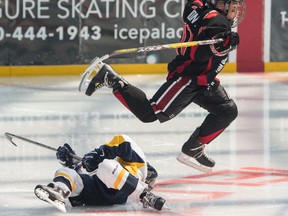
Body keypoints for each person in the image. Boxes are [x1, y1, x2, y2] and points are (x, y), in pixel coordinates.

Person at [79, 0, 246, 172]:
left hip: (204, 79)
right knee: (149, 113)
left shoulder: (199, 8)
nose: (236, 13)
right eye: (233, 8)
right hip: (188, 78)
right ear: (220, 4)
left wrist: (220, 42)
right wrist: (222, 46)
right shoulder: (218, 22)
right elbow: (199, 54)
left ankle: (194, 147)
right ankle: (112, 79)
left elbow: (191, 8)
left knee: (227, 110)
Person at [34, 134, 166, 212]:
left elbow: (119, 144)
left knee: (106, 167)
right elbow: (123, 142)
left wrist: (98, 155)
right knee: (64, 171)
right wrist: (71, 163)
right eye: (150, 179)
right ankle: (60, 192)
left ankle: (145, 196)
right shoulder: (138, 161)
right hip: (96, 191)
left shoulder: (130, 172)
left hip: (122, 194)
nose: (149, 181)